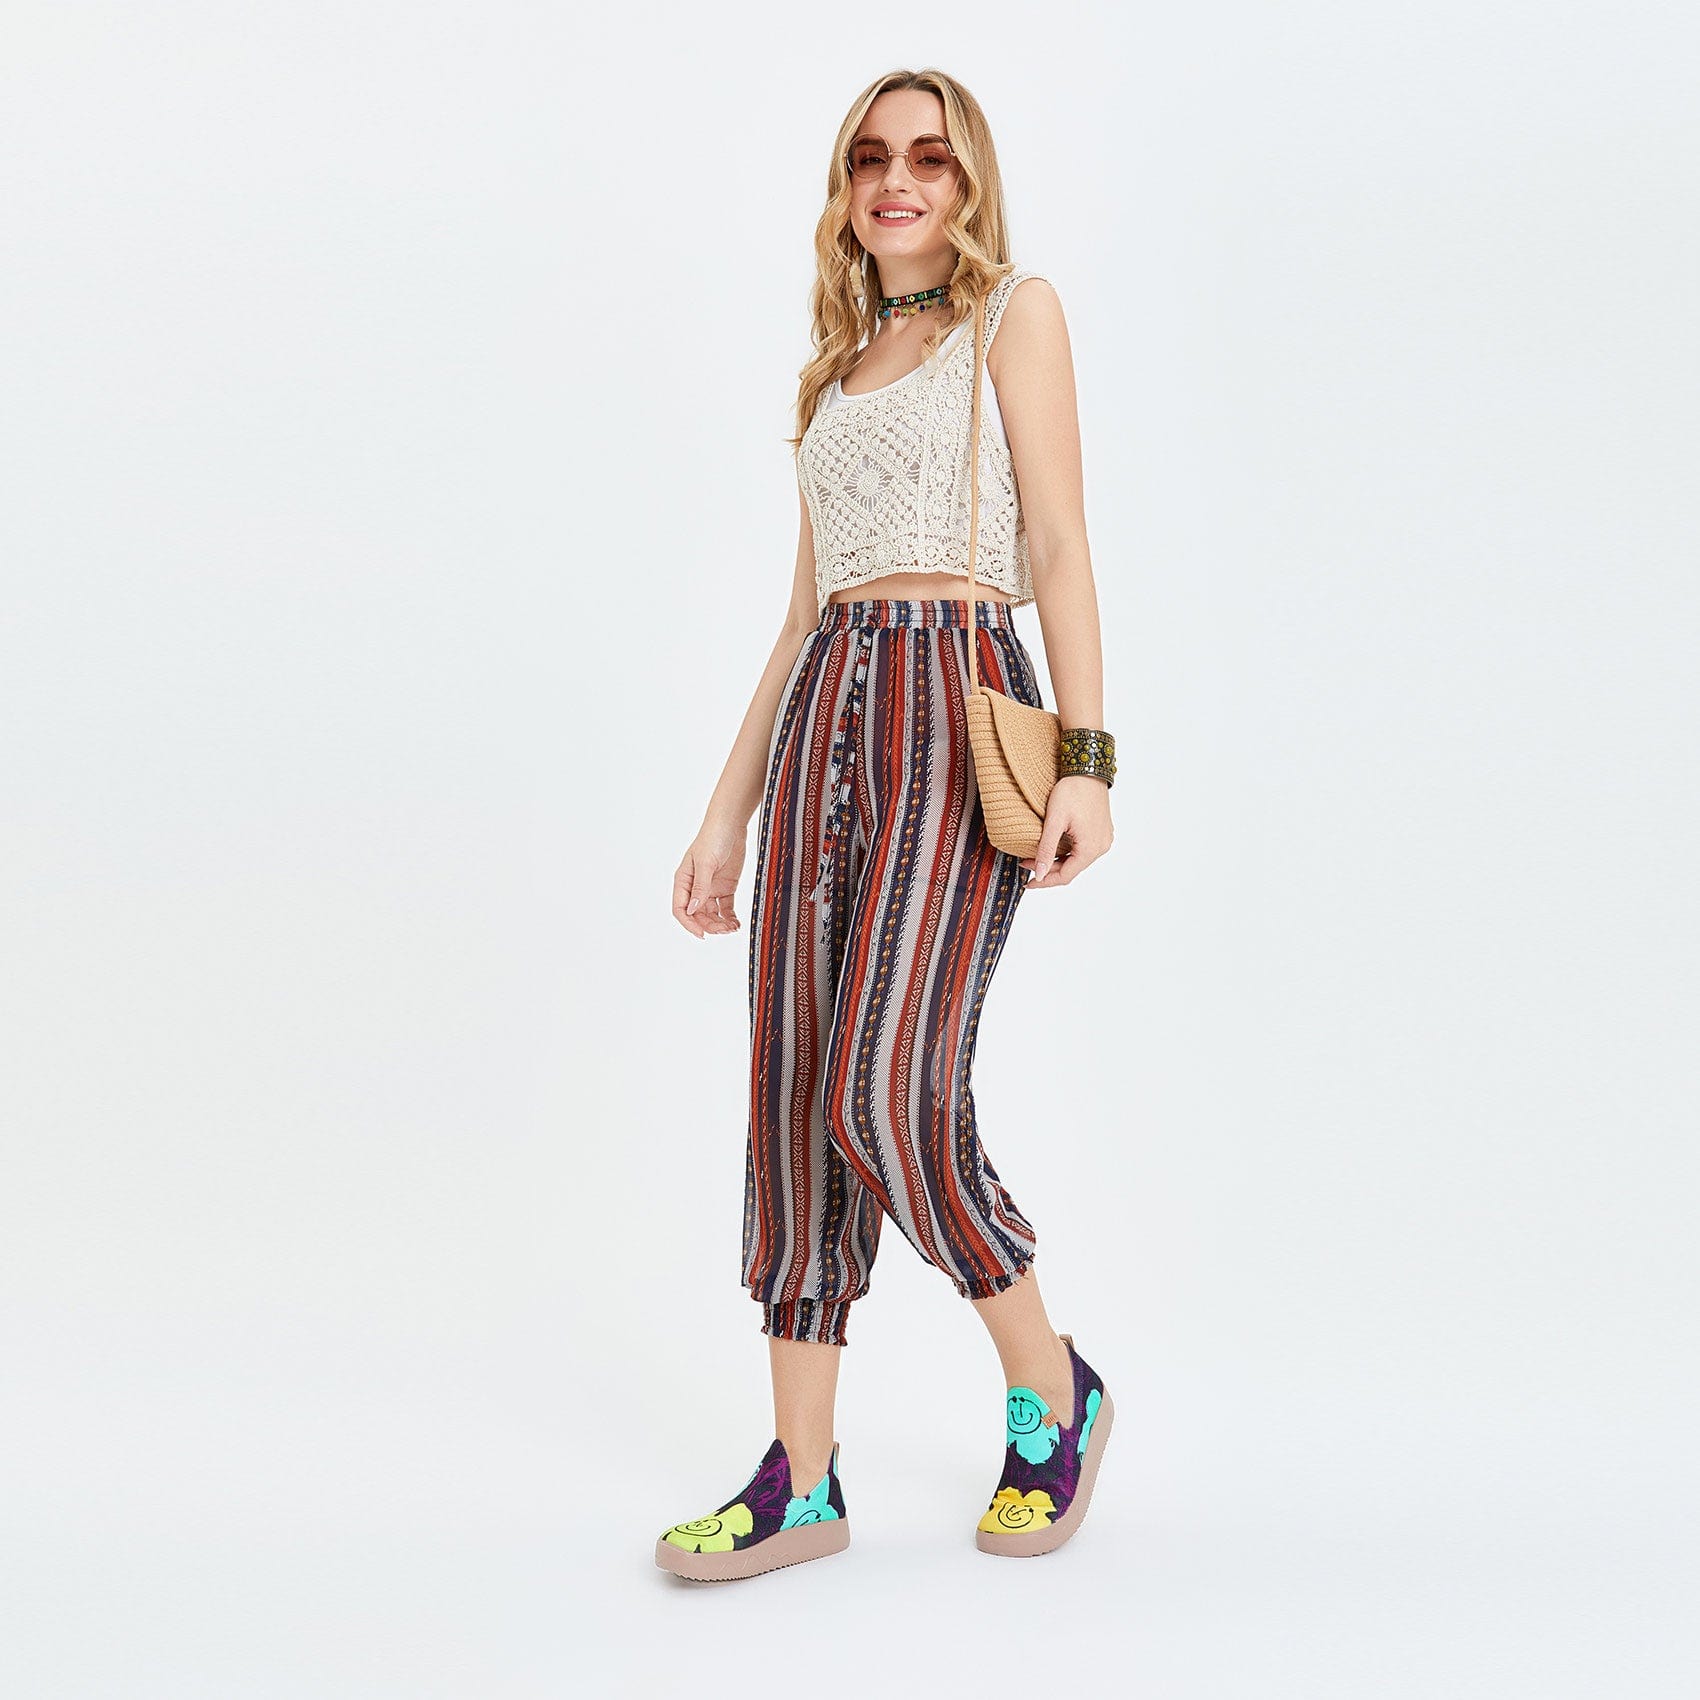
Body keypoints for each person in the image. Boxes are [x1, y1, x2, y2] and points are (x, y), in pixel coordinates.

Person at [658, 67, 1120, 1583]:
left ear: (968, 180)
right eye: (870, 158)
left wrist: (1091, 759)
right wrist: (727, 812)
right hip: (824, 724)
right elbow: (803, 615)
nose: (896, 180)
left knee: (886, 1091)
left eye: (927, 155)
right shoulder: (834, 374)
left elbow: (1060, 543)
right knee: (798, 1095)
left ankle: (1051, 1387)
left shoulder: (1015, 316)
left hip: (957, 705)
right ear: (846, 190)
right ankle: (801, 1480)